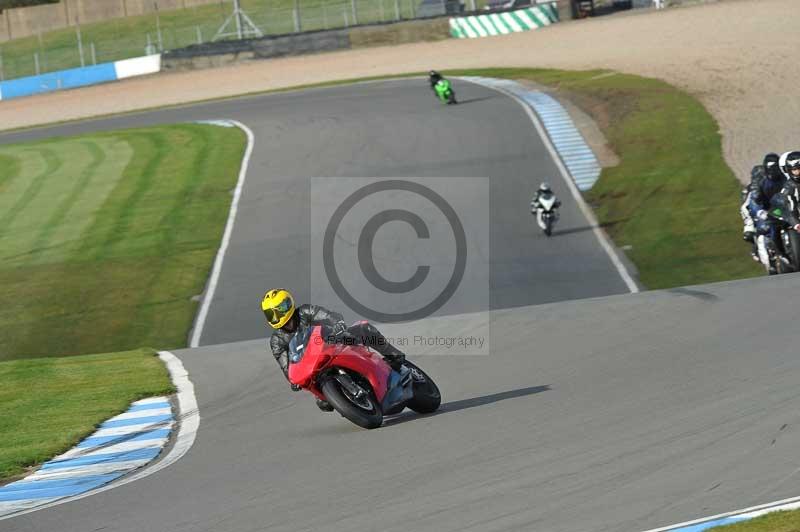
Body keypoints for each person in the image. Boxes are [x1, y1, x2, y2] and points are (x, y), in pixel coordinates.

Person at [261, 288, 406, 412]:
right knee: (323, 403)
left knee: (363, 329)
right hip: (313, 367)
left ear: (288, 304)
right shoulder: (277, 341)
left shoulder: (305, 311)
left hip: (334, 344)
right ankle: (348, 402)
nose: (276, 317)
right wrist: (292, 380)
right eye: (270, 314)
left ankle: (392, 354)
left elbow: (329, 316)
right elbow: (286, 366)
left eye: (278, 311)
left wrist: (337, 324)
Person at [747, 152, 786, 272]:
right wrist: (760, 212)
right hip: (771, 210)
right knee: (763, 227)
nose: (773, 172)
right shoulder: (761, 183)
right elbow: (755, 201)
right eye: (770, 170)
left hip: (785, 208)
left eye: (775, 169)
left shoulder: (786, 179)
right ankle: (768, 256)